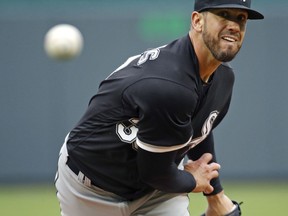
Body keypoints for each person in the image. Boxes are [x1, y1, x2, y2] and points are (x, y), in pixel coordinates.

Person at [55, 0, 263, 215]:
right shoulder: (169, 85)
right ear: (197, 21)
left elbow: (198, 132)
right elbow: (155, 173)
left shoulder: (223, 79)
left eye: (241, 19)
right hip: (92, 188)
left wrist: (216, 197)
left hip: (157, 190)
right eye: (224, 14)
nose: (234, 25)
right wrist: (192, 180)